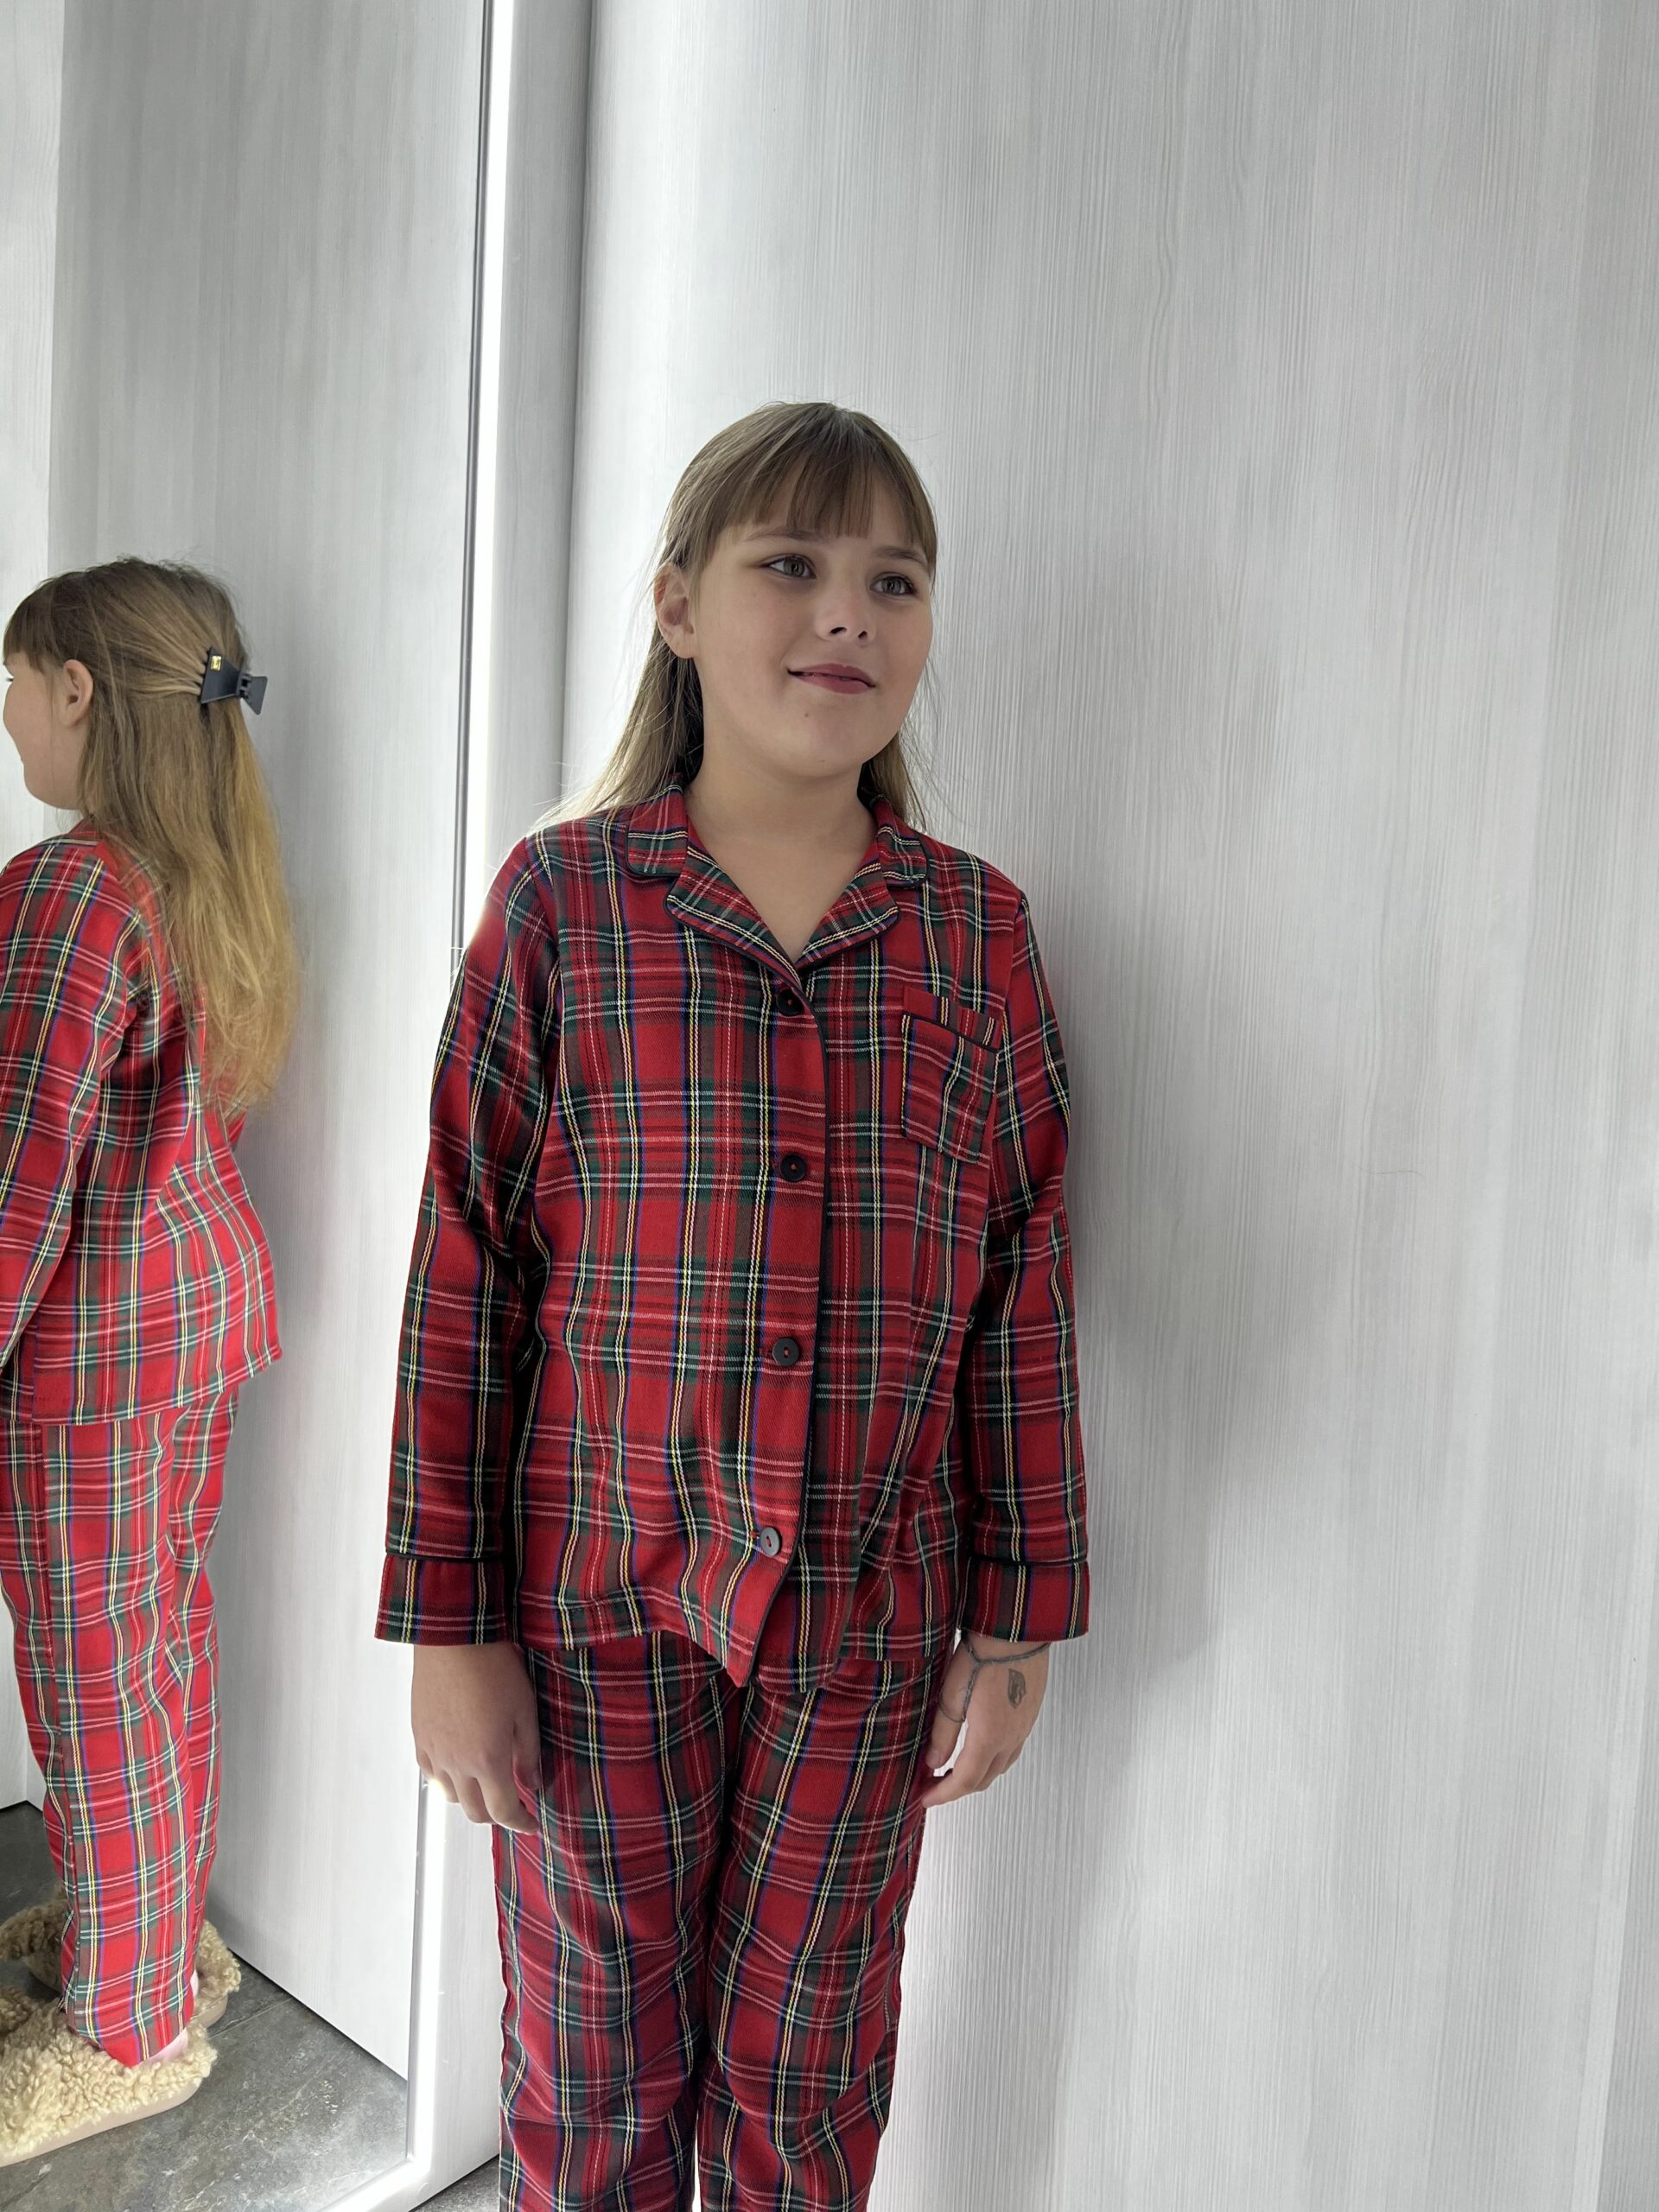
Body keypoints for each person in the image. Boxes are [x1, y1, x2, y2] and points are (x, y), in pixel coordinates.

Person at [377, 400, 1088, 2211]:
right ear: (681, 603)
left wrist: (1017, 1618)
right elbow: (466, 1269)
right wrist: (448, 1626)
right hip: (593, 1611)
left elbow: (1020, 1284)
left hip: (868, 1619)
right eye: (793, 563)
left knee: (810, 2077)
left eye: (894, 580)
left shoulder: (975, 935)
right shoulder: (566, 903)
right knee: (592, 2069)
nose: (847, 611)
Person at [0, 559, 297, 2160]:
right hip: (188, 1330)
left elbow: (16, 1171)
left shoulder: (74, 891)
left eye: (14, 683)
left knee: (92, 1679)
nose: (8, 719)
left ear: (78, 691)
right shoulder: (206, 871)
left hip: (93, 1366)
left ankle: (124, 2033)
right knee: (159, 1649)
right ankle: (154, 1945)